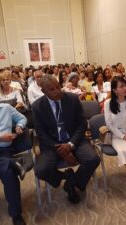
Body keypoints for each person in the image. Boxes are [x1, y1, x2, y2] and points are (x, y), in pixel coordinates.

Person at [32, 75, 100, 204]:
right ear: (43, 91)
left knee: (93, 159)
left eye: (58, 87)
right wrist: (62, 150)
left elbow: (82, 124)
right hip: (52, 145)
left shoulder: (72, 99)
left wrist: (70, 145)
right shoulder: (37, 107)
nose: (57, 91)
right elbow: (41, 134)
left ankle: (73, 185)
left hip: (74, 140)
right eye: (52, 89)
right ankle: (67, 177)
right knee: (41, 170)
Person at [0, 83, 27, 225]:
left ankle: (16, 214)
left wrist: (19, 126)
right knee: (9, 167)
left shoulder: (6, 108)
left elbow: (22, 118)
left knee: (9, 173)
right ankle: (13, 162)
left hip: (3, 151)